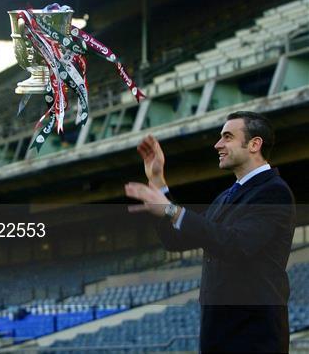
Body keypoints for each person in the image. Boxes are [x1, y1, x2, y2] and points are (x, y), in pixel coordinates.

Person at [124, 111, 295, 353]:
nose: (218, 145)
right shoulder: (225, 197)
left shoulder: (274, 192)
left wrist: (171, 210)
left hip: (253, 337)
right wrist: (158, 181)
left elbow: (236, 245)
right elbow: (176, 240)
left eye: (227, 137)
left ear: (255, 144)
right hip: (218, 334)